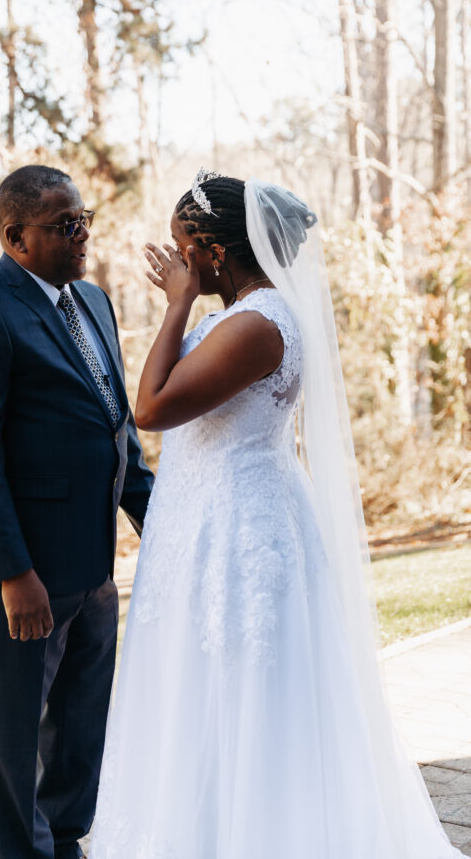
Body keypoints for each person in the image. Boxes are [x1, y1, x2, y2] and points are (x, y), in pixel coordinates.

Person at [89, 171, 461, 859]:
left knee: (244, 695)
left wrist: (173, 307)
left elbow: (152, 408)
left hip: (239, 532)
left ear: (214, 250)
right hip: (202, 523)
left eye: (181, 246)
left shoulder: (259, 326)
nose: (175, 261)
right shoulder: (235, 317)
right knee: (193, 695)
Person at [0, 164, 153, 859]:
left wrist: (160, 517)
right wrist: (13, 574)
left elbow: (116, 427)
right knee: (16, 732)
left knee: (82, 727)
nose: (82, 234)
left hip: (92, 568)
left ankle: (63, 843)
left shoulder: (92, 301)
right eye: (64, 225)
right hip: (21, 574)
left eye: (83, 218)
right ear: (15, 236)